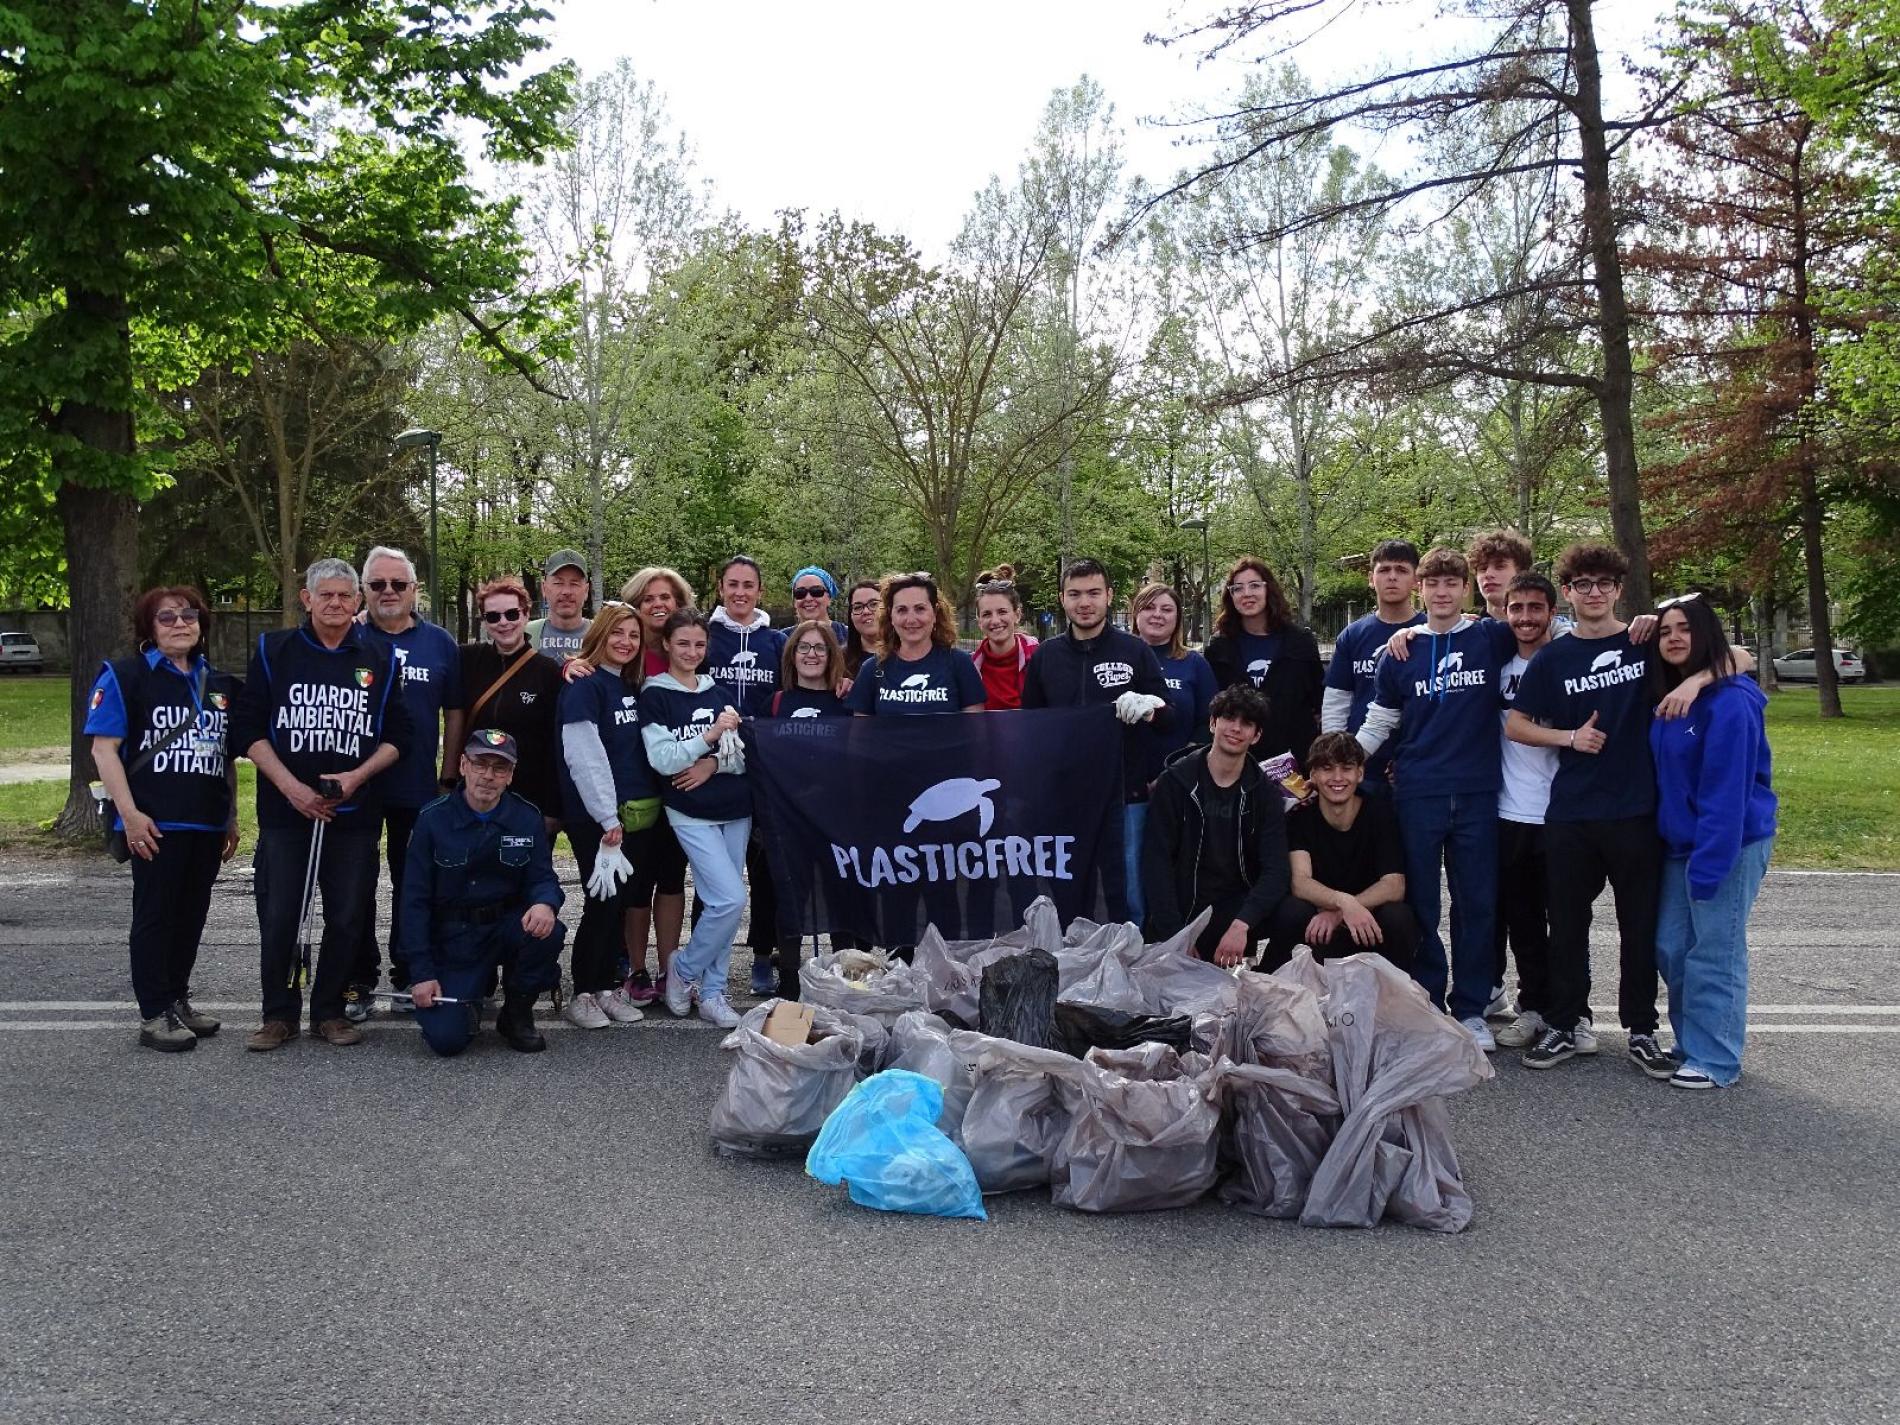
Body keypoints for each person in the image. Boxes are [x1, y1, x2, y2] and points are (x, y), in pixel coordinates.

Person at [232, 558, 412, 1050]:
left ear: (357, 602)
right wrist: (292, 788)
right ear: (307, 599)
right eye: (325, 595)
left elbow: (399, 735)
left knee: (348, 915)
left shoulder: (378, 654)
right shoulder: (275, 650)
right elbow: (247, 728)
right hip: (287, 811)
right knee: (281, 913)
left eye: (345, 596)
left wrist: (356, 778)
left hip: (353, 814)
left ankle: (329, 1010)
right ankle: (278, 1013)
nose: (336, 603)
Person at [1506, 543, 1672, 1074]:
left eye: (1603, 583)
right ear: (1569, 594)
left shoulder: (1646, 642)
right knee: (1569, 924)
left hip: (1635, 809)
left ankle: (1642, 1029)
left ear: (1619, 589)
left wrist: (1689, 678)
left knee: (1638, 924)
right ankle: (1564, 1022)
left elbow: (1731, 659)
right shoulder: (1554, 656)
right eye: (1582, 584)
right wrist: (1569, 737)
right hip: (1573, 812)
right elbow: (1516, 724)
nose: (1593, 592)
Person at [1354, 547, 1516, 1049]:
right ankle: (1428, 996)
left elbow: (1555, 632)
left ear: (1465, 590)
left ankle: (1471, 1007)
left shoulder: (1491, 637)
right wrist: (1342, 761)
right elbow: (1381, 720)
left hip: (1476, 791)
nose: (1442, 593)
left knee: (1477, 902)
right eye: (1433, 584)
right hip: (1418, 792)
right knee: (1420, 901)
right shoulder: (1400, 651)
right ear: (1420, 591)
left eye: (1451, 584)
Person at [85, 586, 241, 1052]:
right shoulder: (125, 676)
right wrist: (130, 816)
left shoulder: (218, 683)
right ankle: (154, 1013)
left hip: (205, 822)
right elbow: (103, 749)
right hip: (153, 823)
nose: (179, 624)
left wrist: (230, 816)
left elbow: (225, 757)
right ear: (148, 629)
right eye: (166, 617)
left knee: (191, 915)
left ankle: (177, 997)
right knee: (155, 916)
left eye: (188, 616)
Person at [1650, 593, 1777, 1090]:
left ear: (1707, 636)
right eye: (1666, 631)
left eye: (1685, 629)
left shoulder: (1732, 704)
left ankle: (1716, 1057)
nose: (1675, 638)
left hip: (1728, 844)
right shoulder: (1674, 694)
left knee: (1714, 951)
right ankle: (1691, 1042)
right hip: (1680, 845)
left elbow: (1727, 795)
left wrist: (1709, 867)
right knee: (1671, 946)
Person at [344, 545, 461, 1022]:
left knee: (413, 883)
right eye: (377, 585)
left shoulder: (439, 643)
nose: (388, 592)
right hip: (358, 785)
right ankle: (357, 977)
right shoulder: (346, 637)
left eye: (398, 584)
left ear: (415, 589)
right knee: (355, 884)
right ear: (363, 591)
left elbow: (454, 713)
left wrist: (448, 775)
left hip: (418, 785)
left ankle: (410, 969)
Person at [1021, 559, 1172, 921]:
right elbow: (1030, 727)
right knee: (1070, 891)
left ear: (1109, 596)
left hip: (1125, 795)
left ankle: (1129, 966)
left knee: (1129, 893)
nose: (1084, 602)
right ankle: (1075, 964)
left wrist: (1150, 708)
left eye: (1093, 593)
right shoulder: (1045, 656)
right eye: (1074, 594)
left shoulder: (1135, 652)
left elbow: (1171, 718)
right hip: (1065, 798)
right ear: (1062, 598)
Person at [402, 731, 565, 1056]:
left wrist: (545, 903)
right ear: (463, 765)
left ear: (511, 775)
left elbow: (542, 878)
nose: (488, 776)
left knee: (549, 931)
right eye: (480, 764)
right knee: (446, 1042)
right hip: (455, 939)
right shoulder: (432, 820)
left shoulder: (525, 817)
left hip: (504, 927)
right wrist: (421, 974)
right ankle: (470, 995)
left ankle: (516, 1013)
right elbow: (413, 902)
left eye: (499, 768)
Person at [640, 609, 751, 1028]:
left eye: (699, 645)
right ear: (667, 644)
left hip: (735, 807)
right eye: (683, 643)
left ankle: (713, 991)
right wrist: (707, 739)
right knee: (731, 900)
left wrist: (712, 765)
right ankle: (683, 969)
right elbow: (663, 759)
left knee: (717, 903)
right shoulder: (656, 695)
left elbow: (740, 757)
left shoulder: (718, 691)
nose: (691, 652)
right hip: (689, 811)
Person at [556, 602, 658, 1029]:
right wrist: (605, 818)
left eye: (634, 636)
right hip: (598, 819)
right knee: (601, 903)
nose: (626, 642)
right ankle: (582, 991)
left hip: (629, 816)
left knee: (618, 904)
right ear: (599, 635)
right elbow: (585, 756)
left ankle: (603, 989)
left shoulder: (628, 684)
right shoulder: (585, 685)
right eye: (617, 633)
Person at [1143, 685, 1291, 965]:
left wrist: (1243, 923)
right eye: (1228, 718)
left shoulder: (1265, 793)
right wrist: (1176, 934)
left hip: (1236, 912)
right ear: (1213, 723)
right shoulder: (1175, 782)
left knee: (1291, 912)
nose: (1235, 728)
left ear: (1256, 736)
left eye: (1246, 723)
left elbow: (1276, 870)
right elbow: (1156, 861)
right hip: (1183, 909)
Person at [1265, 732, 1416, 972]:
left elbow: (1394, 885)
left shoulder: (1380, 813)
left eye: (1346, 768)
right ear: (1313, 774)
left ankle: (1395, 998)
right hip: (1319, 930)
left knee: (1399, 917)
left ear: (1360, 773)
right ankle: (1278, 991)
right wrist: (1342, 902)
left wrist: (1343, 912)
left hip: (1366, 927)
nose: (1337, 778)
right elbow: (1300, 882)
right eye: (1326, 769)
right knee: (1291, 911)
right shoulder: (1301, 817)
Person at [616, 566, 697, 1001]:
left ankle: (669, 968)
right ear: (636, 605)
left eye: (666, 597)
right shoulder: (623, 651)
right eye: (648, 598)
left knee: (671, 878)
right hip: (636, 784)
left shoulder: (688, 650)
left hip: (681, 785)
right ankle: (637, 968)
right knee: (637, 880)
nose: (658, 604)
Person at [1491, 572, 1565, 1051]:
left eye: (1534, 609)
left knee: (1567, 919)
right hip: (1509, 810)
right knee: (1523, 919)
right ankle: (1533, 1006)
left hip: (1563, 812)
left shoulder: (1568, 659)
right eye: (1515, 609)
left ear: (1552, 614)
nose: (1524, 618)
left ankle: (1571, 1012)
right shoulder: (1497, 662)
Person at [442, 576, 565, 835]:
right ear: (484, 621)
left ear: (526, 614)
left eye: (511, 614)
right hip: (476, 794)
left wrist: (552, 807)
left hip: (528, 798)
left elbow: (556, 745)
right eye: (493, 617)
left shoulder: (547, 672)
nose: (504, 623)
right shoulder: (466, 659)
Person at [1127, 581, 1216, 928]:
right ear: (1135, 615)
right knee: (1134, 870)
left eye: (1166, 609)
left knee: (1178, 865)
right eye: (1149, 607)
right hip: (1130, 787)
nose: (1157, 615)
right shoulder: (1121, 660)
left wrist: (1174, 774)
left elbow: (1208, 725)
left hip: (1181, 787)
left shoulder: (1194, 664)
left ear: (1178, 618)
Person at [1321, 539, 1423, 798]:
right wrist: (1337, 760)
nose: (1392, 577)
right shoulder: (1352, 635)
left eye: (1401, 570)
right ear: (1371, 578)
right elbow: (1336, 704)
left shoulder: (1431, 633)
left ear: (1416, 581)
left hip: (1415, 767)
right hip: (1361, 766)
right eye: (1384, 570)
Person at [1204, 556, 1324, 769]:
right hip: (1237, 763)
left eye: (1255, 585)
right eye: (1238, 588)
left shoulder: (1300, 642)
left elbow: (1318, 701)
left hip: (1294, 763)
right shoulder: (1219, 647)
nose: (1247, 593)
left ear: (1269, 590)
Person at [845, 572, 988, 716]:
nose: (911, 619)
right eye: (902, 610)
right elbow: (860, 735)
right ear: (890, 616)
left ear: (935, 612)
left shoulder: (960, 663)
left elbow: (975, 732)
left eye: (920, 609)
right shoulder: (872, 669)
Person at [705, 555, 786, 716]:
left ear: (760, 591)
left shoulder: (779, 642)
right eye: (733, 584)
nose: (740, 592)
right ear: (721, 589)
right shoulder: (704, 637)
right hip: (713, 737)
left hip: (764, 737)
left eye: (748, 586)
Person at [971, 565, 1039, 710]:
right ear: (979, 622)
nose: (995, 621)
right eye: (987, 614)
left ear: (1017, 615)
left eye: (1002, 612)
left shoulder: (1040, 659)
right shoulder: (969, 668)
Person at [769, 620, 851, 719]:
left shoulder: (847, 703)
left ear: (831, 655)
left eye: (820, 648)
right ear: (792, 654)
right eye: (803, 647)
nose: (811, 654)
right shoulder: (774, 703)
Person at [527, 549, 591, 660]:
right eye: (558, 583)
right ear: (544, 588)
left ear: (586, 591)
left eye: (574, 583)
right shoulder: (525, 635)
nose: (566, 591)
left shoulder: (604, 637)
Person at [791, 565, 849, 647]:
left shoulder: (849, 637)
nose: (808, 598)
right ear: (794, 602)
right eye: (800, 593)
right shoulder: (780, 641)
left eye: (816, 591)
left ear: (829, 598)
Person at [841, 579, 881, 680]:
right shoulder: (838, 660)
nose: (866, 611)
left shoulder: (908, 655)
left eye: (873, 604)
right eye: (858, 607)